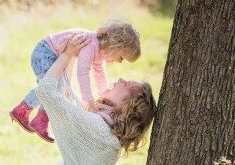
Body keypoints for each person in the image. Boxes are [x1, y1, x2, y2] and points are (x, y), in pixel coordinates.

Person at [9, 20, 141, 143]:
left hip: (50, 54)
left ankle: (36, 118)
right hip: (45, 53)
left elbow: (100, 74)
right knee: (51, 88)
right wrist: (88, 100)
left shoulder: (99, 51)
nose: (119, 62)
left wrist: (104, 94)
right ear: (115, 46)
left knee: (53, 89)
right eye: (122, 57)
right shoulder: (91, 45)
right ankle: (30, 114)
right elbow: (82, 73)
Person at [36, 36, 157, 164]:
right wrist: (74, 55)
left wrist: (66, 54)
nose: (121, 80)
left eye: (126, 84)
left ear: (126, 105)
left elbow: (45, 91)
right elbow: (68, 97)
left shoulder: (98, 129)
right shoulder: (108, 126)